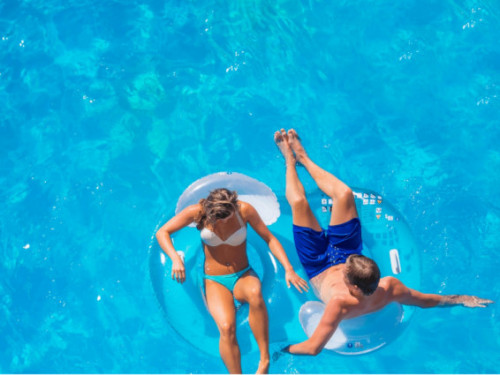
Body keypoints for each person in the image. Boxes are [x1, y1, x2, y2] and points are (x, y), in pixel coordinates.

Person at [273, 128, 493, 356]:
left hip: (318, 264)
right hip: (344, 249)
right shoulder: (389, 287)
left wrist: (281, 350)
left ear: (353, 286)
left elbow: (313, 348)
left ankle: (289, 162)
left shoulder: (340, 303)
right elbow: (427, 300)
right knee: (345, 194)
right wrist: (461, 299)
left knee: (299, 202)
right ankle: (304, 158)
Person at [156, 188, 308, 373]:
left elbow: (269, 239)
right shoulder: (197, 212)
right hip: (215, 280)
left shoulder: (244, 210)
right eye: (219, 219)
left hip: (242, 274)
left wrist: (289, 269)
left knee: (255, 294)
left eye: (228, 217)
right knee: (227, 328)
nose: (225, 222)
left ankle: (264, 359)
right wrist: (175, 258)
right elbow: (162, 232)